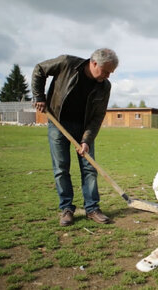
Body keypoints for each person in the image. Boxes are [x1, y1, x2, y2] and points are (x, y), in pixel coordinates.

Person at [32, 48, 119, 226]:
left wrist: (86, 140)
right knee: (61, 168)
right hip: (58, 122)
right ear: (94, 63)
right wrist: (39, 96)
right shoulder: (66, 64)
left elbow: (97, 117)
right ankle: (67, 209)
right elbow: (40, 70)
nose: (108, 76)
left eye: (111, 73)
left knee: (89, 168)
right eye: (106, 71)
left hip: (84, 127)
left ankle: (92, 208)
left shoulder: (104, 87)